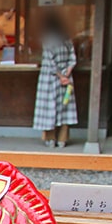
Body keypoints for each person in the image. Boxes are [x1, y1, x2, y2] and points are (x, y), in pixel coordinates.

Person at [33, 11, 78, 148]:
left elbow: (49, 62)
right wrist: (66, 75)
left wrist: (60, 76)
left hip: (50, 79)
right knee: (65, 109)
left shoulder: (47, 39)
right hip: (67, 78)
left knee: (49, 109)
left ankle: (50, 139)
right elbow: (73, 58)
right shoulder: (67, 39)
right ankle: (62, 139)